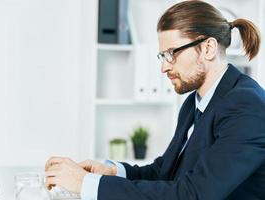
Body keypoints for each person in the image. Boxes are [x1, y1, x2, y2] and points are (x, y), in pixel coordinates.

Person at [44, 1, 265, 199]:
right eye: (162, 56)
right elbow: (165, 172)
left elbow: (195, 194)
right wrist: (112, 172)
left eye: (172, 53)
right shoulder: (194, 103)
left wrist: (87, 184)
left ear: (207, 48)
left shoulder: (247, 107)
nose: (164, 67)